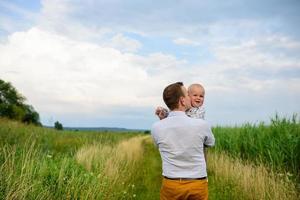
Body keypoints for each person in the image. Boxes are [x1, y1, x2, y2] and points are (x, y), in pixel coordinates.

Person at [151, 82, 215, 200]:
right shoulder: (202, 125)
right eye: (187, 95)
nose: (191, 98)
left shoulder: (156, 127)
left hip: (171, 185)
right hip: (197, 184)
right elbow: (210, 143)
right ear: (182, 100)